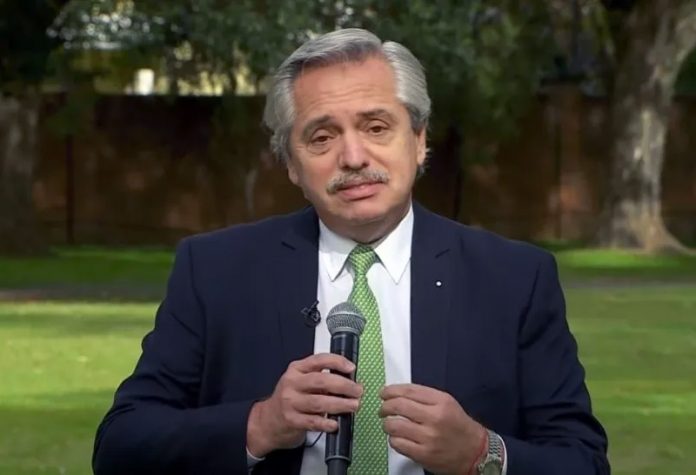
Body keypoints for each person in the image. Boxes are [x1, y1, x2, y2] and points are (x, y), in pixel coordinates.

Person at [92, 28, 609, 475]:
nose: (354, 157)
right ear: (291, 165)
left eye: (376, 127)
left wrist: (481, 453)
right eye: (322, 137)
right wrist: (261, 424)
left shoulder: (515, 279)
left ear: (419, 141)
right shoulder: (215, 271)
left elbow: (582, 461)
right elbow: (121, 447)